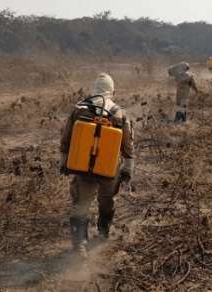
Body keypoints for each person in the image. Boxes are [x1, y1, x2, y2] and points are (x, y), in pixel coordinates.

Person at [59, 73, 135, 257]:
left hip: (82, 167)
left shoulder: (79, 109)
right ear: (112, 90)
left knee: (81, 206)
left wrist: (64, 162)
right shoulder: (119, 112)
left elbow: (66, 139)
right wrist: (128, 169)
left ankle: (80, 246)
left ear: (94, 89)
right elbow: (128, 146)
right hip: (109, 169)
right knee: (107, 202)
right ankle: (103, 233)